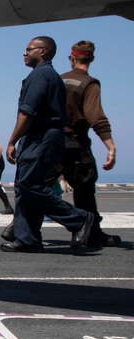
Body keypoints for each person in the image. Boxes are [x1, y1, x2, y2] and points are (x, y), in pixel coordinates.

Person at [1, 36, 93, 253]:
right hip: (41, 137)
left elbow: (27, 112)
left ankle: (79, 219)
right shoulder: (47, 75)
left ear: (42, 52)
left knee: (29, 186)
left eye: (29, 49)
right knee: (24, 188)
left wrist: (12, 140)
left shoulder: (41, 75)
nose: (24, 53)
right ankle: (28, 239)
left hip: (41, 137)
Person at [60, 40, 121, 247]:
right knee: (84, 190)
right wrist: (110, 146)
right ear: (92, 59)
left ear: (71, 58)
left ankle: (23, 230)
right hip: (76, 144)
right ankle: (90, 232)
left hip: (51, 142)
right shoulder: (89, 83)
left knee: (38, 188)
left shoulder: (58, 80)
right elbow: (96, 118)